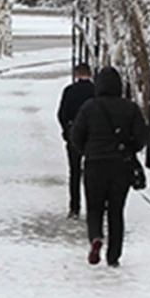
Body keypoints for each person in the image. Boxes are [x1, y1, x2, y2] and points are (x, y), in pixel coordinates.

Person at [70, 66, 150, 268]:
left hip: (95, 165)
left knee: (94, 207)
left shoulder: (89, 107)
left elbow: (76, 136)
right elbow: (142, 137)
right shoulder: (130, 108)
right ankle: (113, 255)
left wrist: (88, 150)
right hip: (120, 166)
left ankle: (96, 237)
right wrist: (129, 148)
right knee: (116, 210)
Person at [57, 63, 95, 218]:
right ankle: (95, 206)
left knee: (74, 172)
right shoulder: (96, 91)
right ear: (90, 74)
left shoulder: (70, 91)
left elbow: (61, 113)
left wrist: (66, 130)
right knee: (93, 173)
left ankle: (74, 207)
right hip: (94, 137)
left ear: (76, 75)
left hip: (74, 135)